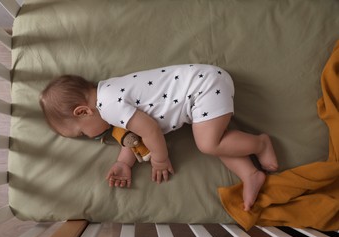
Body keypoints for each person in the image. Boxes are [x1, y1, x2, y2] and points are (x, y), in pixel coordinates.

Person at [40, 64, 278, 211]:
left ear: (83, 111)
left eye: (82, 133)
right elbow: (133, 136)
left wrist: (160, 160)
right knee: (217, 140)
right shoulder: (108, 96)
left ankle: (261, 143)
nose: (89, 137)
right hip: (203, 86)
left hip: (204, 87)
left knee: (208, 144)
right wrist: (124, 163)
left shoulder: (110, 105)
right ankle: (250, 174)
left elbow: (150, 131)